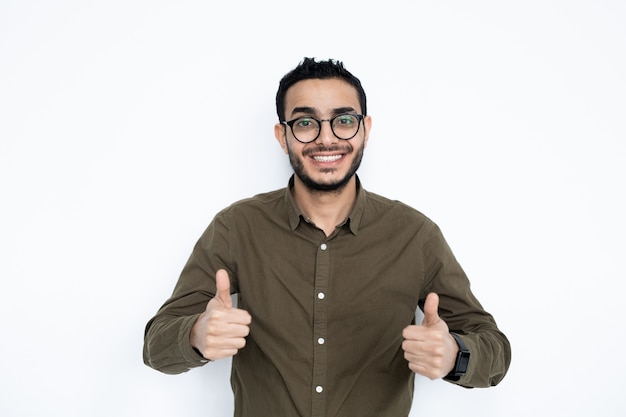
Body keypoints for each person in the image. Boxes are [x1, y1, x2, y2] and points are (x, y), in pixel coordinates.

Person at [143, 57, 511, 417]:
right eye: (305, 123)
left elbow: (494, 348)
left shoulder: (414, 235)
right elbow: (156, 347)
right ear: (282, 136)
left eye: (344, 120)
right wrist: (195, 334)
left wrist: (454, 355)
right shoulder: (236, 227)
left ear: (365, 129)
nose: (326, 138)